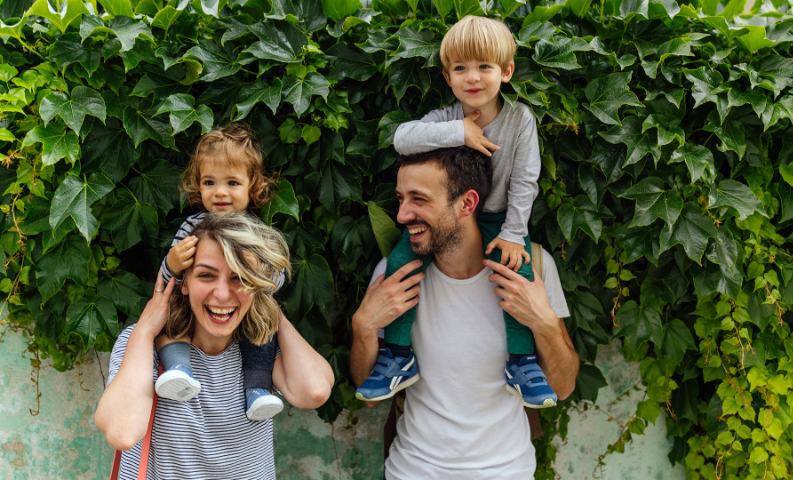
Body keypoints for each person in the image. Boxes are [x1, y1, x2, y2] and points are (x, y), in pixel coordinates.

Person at [356, 15, 554, 408]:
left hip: (499, 218)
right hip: (448, 216)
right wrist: (459, 133)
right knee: (400, 261)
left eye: (485, 67)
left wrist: (515, 233)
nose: (473, 77)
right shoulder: (446, 118)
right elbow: (402, 138)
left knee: (517, 273)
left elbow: (526, 179)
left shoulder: (519, 120)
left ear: (507, 71)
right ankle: (397, 354)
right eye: (461, 68)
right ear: (448, 77)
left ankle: (523, 362)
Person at [350, 147, 579, 479]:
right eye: (400, 199)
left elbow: (562, 387)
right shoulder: (394, 277)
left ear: (467, 204)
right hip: (414, 471)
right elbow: (368, 396)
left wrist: (543, 322)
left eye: (419, 200)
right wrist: (363, 326)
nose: (401, 215)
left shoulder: (532, 269)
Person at [95, 214, 334, 479]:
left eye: (239, 278)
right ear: (184, 283)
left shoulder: (259, 347)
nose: (221, 294)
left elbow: (314, 391)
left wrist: (268, 307)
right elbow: (122, 432)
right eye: (206, 276)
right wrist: (144, 331)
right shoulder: (143, 343)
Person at [155, 124, 287, 421]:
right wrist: (173, 264)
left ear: (253, 187)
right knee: (170, 317)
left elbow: (278, 279)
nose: (220, 192)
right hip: (196, 314)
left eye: (232, 183)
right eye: (209, 182)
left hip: (245, 312)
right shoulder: (191, 229)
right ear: (197, 185)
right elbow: (167, 281)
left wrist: (260, 275)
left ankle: (256, 390)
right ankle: (179, 369)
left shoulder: (255, 233)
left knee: (265, 328)